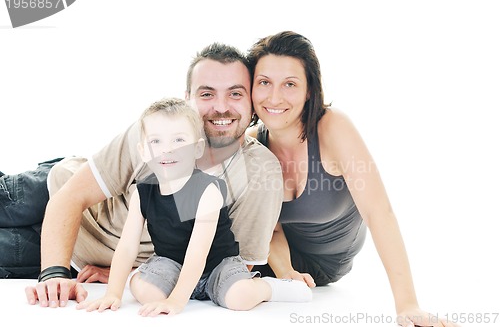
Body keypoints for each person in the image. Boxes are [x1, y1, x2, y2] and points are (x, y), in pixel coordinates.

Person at [23, 42, 284, 308]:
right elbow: (70, 196)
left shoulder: (259, 173)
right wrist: (54, 273)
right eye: (206, 94)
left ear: (252, 101)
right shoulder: (157, 134)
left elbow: (233, 263)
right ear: (188, 99)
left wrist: (129, 276)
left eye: (235, 94)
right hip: (60, 204)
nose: (220, 107)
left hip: (79, 259)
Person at [246, 31, 458, 327]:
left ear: (309, 90)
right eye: (264, 83)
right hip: (279, 262)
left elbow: (378, 212)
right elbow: (270, 230)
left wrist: (407, 304)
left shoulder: (332, 128)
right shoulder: (254, 145)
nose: (274, 97)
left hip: (329, 264)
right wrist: (286, 273)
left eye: (290, 84)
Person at [75, 98, 310, 316]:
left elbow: (198, 253)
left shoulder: (207, 190)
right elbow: (127, 247)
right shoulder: (142, 192)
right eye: (156, 141)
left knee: (240, 299)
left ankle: (267, 287)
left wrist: (177, 300)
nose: (167, 149)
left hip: (216, 265)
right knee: (146, 293)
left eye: (178, 140)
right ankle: (151, 281)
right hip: (171, 263)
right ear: (143, 151)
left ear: (197, 149)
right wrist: (113, 294)